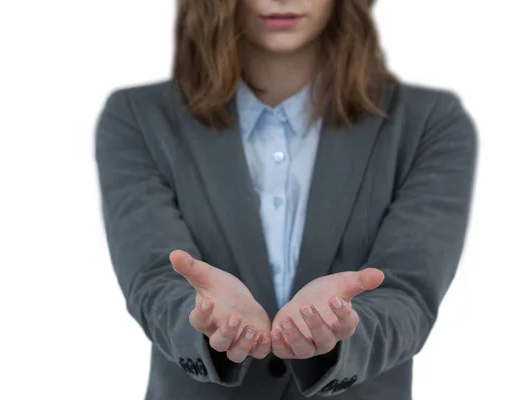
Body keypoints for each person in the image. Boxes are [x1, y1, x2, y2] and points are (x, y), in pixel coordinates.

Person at [94, 0, 478, 398]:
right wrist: (205, 321)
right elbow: (153, 277)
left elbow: (409, 290)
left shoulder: (431, 122)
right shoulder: (136, 117)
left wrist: (341, 330)